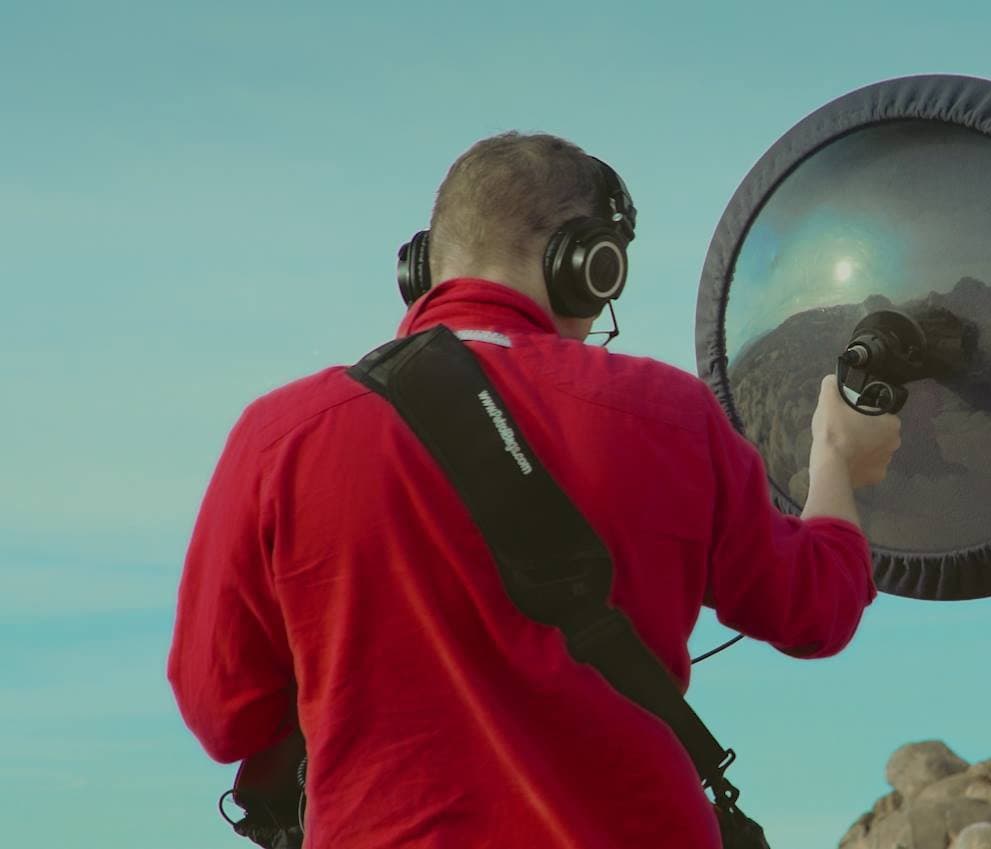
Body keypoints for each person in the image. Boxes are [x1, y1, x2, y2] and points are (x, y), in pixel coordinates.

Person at [167, 132, 902, 849]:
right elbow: (816, 609)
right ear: (590, 265)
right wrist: (838, 460)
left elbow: (222, 714)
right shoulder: (668, 414)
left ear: (422, 267)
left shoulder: (279, 437)